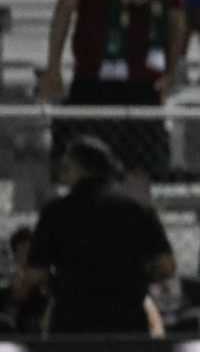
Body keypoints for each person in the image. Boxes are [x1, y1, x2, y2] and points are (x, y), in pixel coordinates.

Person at [43, 0, 181, 192]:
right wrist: (54, 66)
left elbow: (175, 21)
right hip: (94, 79)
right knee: (86, 170)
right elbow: (64, 10)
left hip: (144, 83)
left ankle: (133, 222)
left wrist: (172, 70)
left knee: (139, 172)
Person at [21, 137, 174, 336]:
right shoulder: (138, 209)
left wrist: (57, 284)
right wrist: (135, 278)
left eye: (66, 168)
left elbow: (36, 273)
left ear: (76, 168)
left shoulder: (56, 212)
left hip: (72, 319)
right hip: (128, 319)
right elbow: (166, 265)